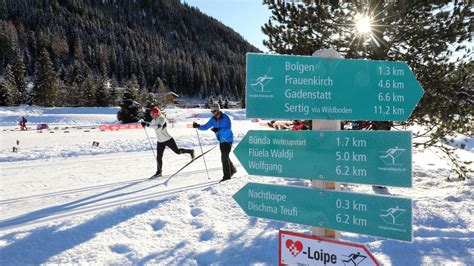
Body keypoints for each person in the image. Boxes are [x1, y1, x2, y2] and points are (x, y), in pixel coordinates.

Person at [141, 107, 195, 178]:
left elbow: (157, 127)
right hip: (160, 141)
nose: (153, 116)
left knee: (178, 152)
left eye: (154, 114)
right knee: (159, 157)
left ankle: (190, 151)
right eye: (152, 115)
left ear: (158, 113)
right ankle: (159, 172)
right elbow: (151, 125)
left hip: (168, 139)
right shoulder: (153, 120)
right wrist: (144, 124)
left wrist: (147, 125)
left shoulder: (162, 119)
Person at [192, 103, 236, 183]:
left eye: (214, 111)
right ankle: (232, 170)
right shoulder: (213, 119)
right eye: (212, 111)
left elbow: (228, 128)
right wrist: (198, 126)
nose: (213, 113)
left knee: (224, 158)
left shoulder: (225, 118)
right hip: (221, 141)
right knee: (225, 157)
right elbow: (205, 127)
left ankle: (227, 176)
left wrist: (219, 130)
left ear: (218, 110)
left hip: (228, 140)